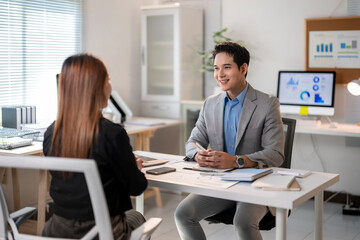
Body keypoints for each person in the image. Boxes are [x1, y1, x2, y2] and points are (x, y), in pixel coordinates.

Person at [174, 41, 285, 240]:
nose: (220, 74)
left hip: (256, 182)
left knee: (242, 221)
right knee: (183, 214)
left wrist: (236, 161)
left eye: (227, 67)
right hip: (221, 183)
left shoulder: (267, 103)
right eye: (216, 68)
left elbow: (275, 154)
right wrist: (198, 153)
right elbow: (192, 141)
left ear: (243, 69)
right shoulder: (210, 104)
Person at [42, 53, 148, 240]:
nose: (110, 86)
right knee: (137, 216)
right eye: (107, 80)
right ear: (95, 88)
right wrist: (135, 169)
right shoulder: (112, 133)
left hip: (58, 230)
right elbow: (136, 187)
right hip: (103, 232)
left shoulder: (52, 133)